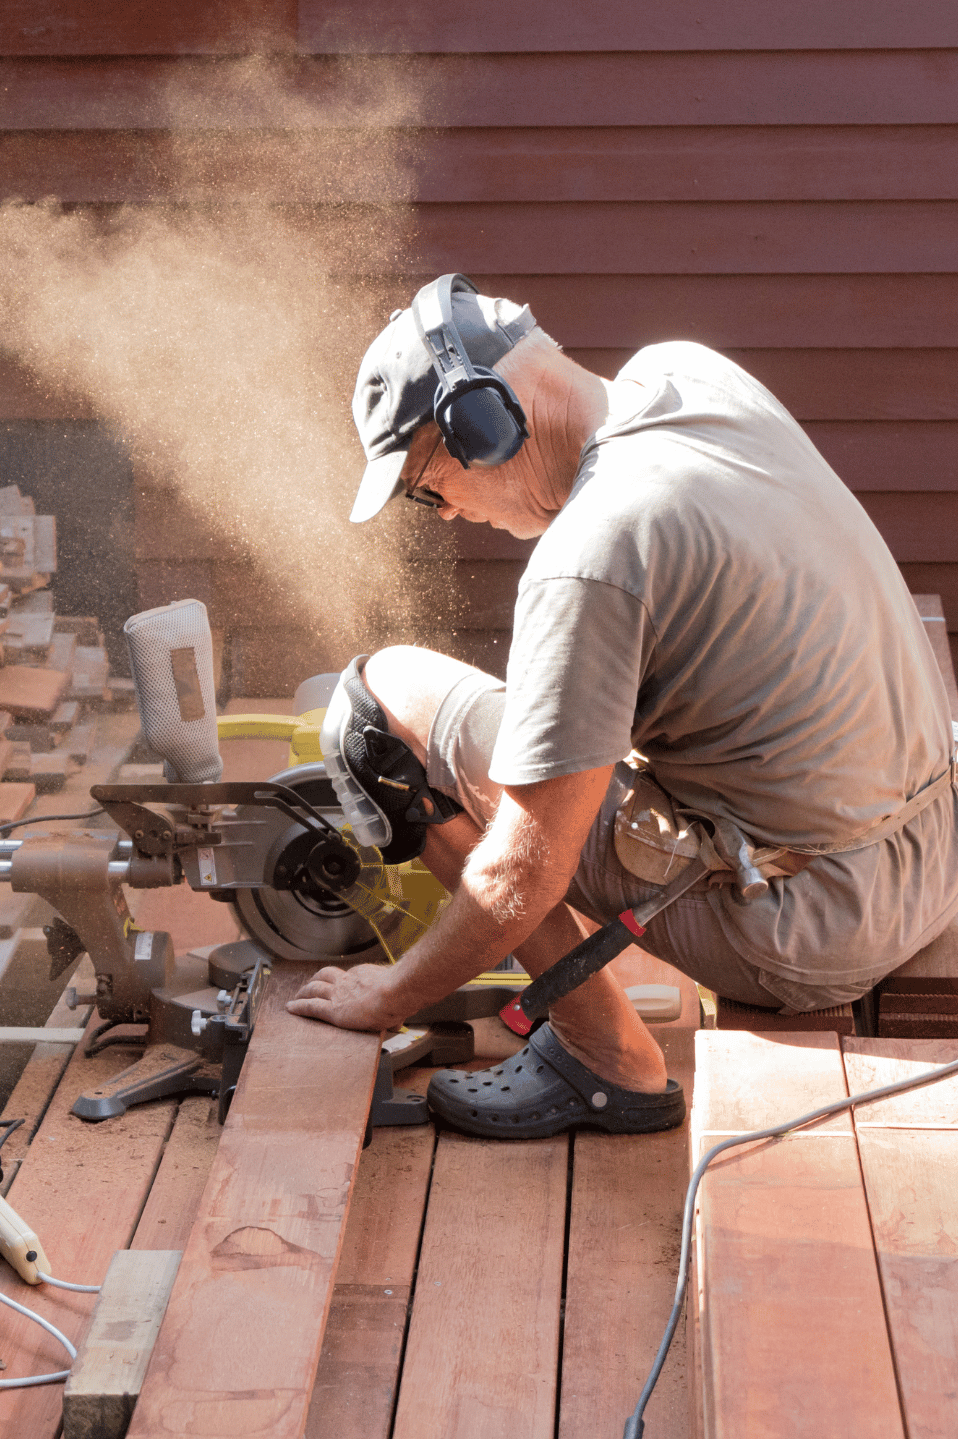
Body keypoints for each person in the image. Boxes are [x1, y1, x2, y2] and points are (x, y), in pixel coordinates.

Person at [286, 276, 958, 1139]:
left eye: (426, 484)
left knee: (375, 705)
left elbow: (521, 876)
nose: (444, 513)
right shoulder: (689, 375)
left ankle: (608, 1059)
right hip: (929, 858)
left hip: (810, 930)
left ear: (482, 425)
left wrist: (393, 993)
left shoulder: (591, 554)